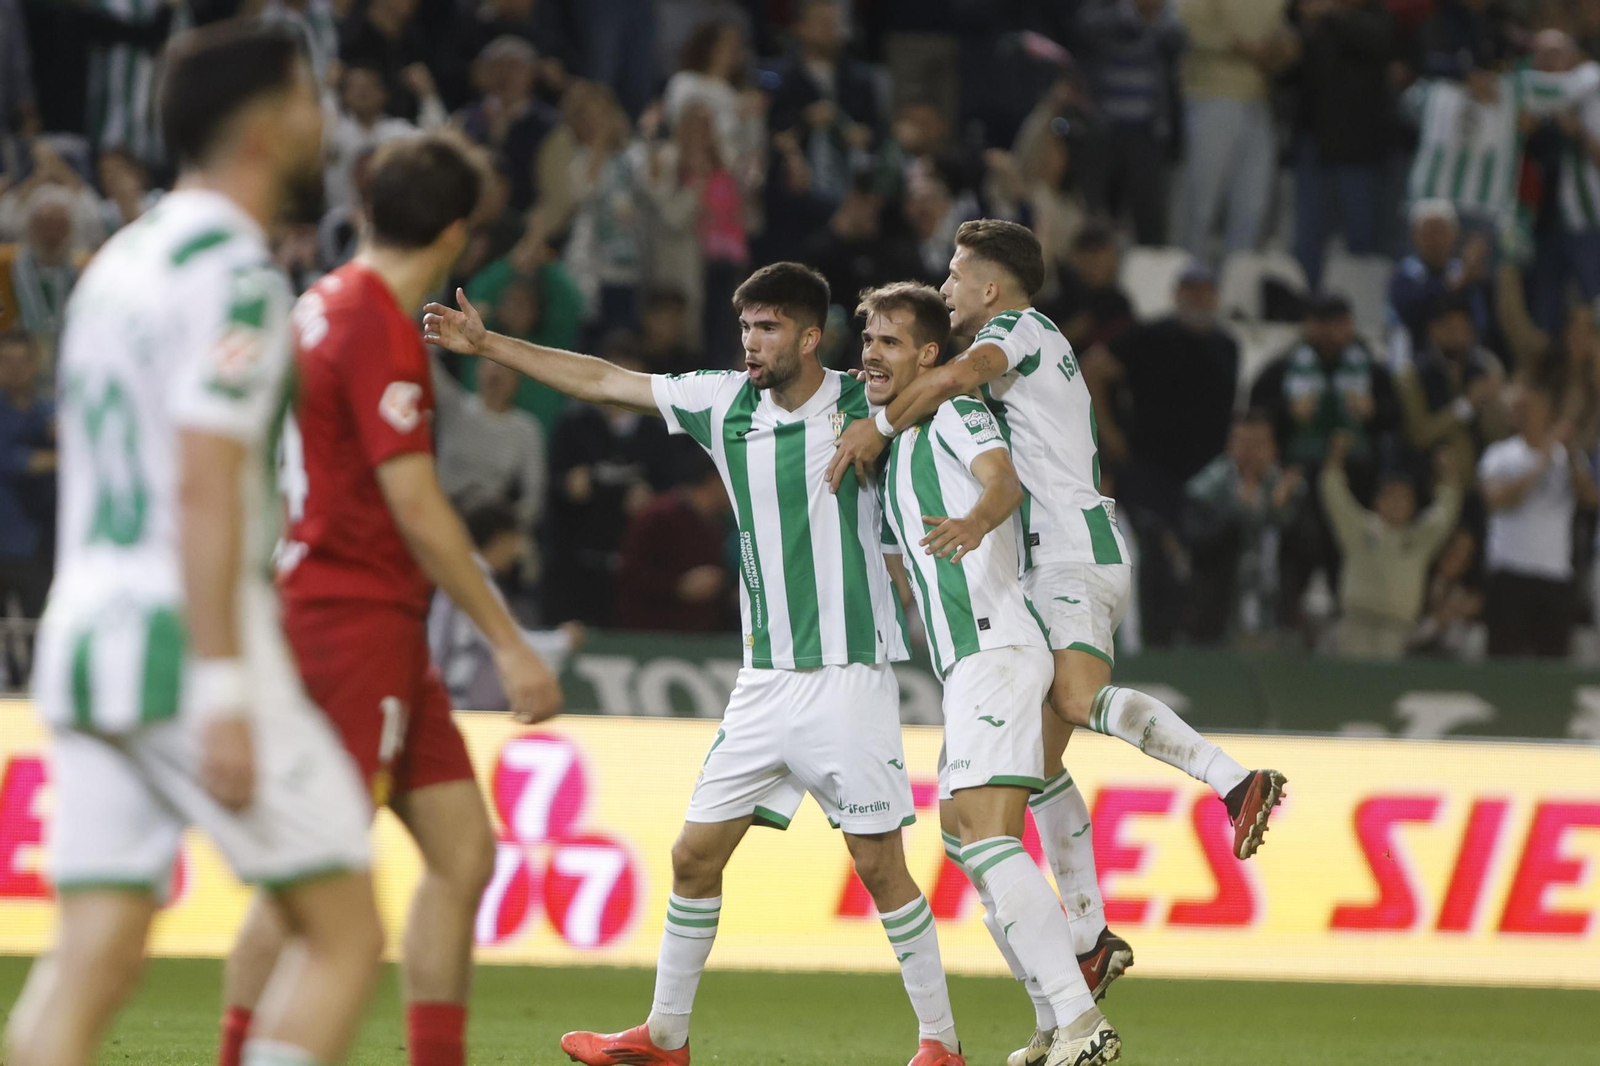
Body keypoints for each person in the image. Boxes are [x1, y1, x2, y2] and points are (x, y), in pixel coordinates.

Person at [425, 262, 965, 1066]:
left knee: (879, 865)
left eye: (769, 327)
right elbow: (605, 381)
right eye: (745, 326)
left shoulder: (867, 400)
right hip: (762, 682)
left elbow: (951, 379)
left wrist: (891, 431)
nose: (751, 342)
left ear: (810, 337)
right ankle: (665, 1038)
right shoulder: (723, 402)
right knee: (693, 857)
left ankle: (941, 1045)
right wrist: (491, 345)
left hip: (847, 676)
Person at [7, 23, 382, 1066]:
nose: (323, 123)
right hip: (189, 639)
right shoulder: (236, 276)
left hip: (87, 635)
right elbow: (204, 474)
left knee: (93, 952)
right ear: (263, 130)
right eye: (308, 101)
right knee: (344, 933)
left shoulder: (118, 264)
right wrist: (220, 684)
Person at [828, 219, 1286, 1059]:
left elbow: (959, 380)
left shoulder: (1017, 333)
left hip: (1071, 550)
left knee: (1065, 710)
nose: (948, 287)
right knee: (1013, 792)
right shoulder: (991, 374)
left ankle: (1232, 781)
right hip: (1051, 565)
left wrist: (885, 428)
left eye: (956, 275)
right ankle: (1080, 954)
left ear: (990, 287)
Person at [219, 132, 564, 1066]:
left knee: (464, 855)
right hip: (350, 620)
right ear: (458, 233)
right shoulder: (377, 323)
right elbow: (413, 502)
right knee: (312, 878)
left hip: (375, 622)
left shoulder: (319, 301)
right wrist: (509, 641)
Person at [860, 282, 1122, 1066]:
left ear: (929, 355)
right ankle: (1051, 1019)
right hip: (968, 661)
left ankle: (1081, 1018)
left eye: (890, 342)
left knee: (987, 836)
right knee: (965, 837)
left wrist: (975, 524)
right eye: (867, 340)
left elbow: (1003, 482)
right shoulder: (896, 453)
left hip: (998, 646)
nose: (871, 354)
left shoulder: (952, 413)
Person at [427, 497, 584, 712]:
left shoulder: (463, 578)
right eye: (514, 540)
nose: (517, 551)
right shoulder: (474, 583)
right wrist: (564, 639)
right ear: (499, 538)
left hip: (455, 703)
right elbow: (512, 645)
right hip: (462, 708)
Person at [1478, 383, 1598, 657]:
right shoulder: (1500, 454)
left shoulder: (1567, 457)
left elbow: (1590, 499)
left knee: (1552, 663)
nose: (1525, 415)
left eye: (1533, 409)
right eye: (1520, 410)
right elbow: (1498, 501)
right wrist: (1541, 459)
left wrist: (1569, 453)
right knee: (1504, 660)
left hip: (1554, 574)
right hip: (1509, 572)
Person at [1321, 433, 1463, 659]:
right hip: (1357, 622)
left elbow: (1446, 513)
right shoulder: (1360, 529)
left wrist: (1449, 476)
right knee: (1351, 677)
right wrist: (1335, 457)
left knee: (1386, 679)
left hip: (1397, 629)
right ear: (1378, 501)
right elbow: (1334, 494)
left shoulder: (1418, 538)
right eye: (1391, 496)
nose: (1397, 503)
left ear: (1413, 506)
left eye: (1404, 499)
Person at [1175, 0, 1295, 259]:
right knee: (1201, 202)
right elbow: (1193, 24)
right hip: (1212, 96)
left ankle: (1238, 278)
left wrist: (1279, 49)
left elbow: (1284, 36)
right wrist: (1246, 47)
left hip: (1260, 101)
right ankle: (1187, 276)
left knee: (1252, 206)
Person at [614, 449, 731, 631]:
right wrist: (678, 587)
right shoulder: (659, 516)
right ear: (714, 481)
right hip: (650, 634)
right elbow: (629, 575)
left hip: (701, 636)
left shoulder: (719, 523)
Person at [433, 353, 547, 539]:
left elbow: (534, 497)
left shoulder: (526, 429)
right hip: (441, 514)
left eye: (504, 370)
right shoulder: (454, 407)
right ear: (478, 371)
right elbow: (427, 363)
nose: (496, 375)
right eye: (491, 367)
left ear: (517, 381)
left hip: (487, 528)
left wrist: (507, 530)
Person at [0, 330, 53, 681]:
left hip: (39, 548)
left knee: (41, 636)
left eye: (23, 360)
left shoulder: (47, 411)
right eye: (6, 361)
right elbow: (14, 461)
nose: (16, 368)